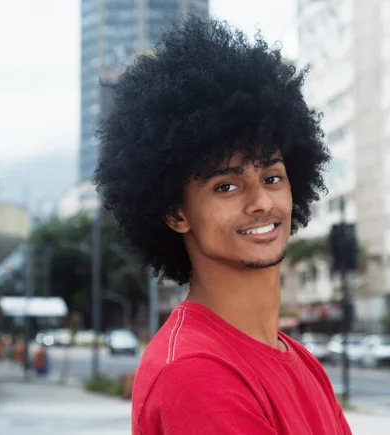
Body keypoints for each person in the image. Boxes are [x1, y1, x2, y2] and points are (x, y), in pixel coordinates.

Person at [94, 16, 351, 435]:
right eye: (227, 186)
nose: (261, 202)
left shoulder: (298, 358)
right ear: (177, 214)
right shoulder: (195, 372)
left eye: (272, 178)